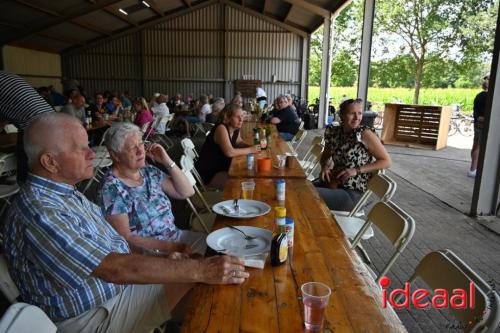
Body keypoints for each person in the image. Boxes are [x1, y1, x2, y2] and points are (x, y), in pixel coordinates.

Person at [3, 112, 249, 332]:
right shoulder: (40, 210)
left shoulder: (66, 193)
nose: (92, 154)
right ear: (50, 162)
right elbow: (113, 267)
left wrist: (166, 260)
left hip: (118, 289)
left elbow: (117, 245)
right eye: (81, 148)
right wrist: (200, 269)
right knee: (206, 283)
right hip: (95, 315)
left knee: (209, 290)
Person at [100, 123, 207, 254]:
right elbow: (125, 239)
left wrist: (167, 161)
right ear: (115, 155)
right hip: (151, 253)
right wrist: (172, 248)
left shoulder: (149, 172)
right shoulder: (111, 189)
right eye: (133, 148)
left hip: (175, 237)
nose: (140, 151)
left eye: (140, 144)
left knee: (220, 249)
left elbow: (186, 192)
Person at [316, 98, 391, 211]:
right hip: (333, 184)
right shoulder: (334, 132)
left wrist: (357, 170)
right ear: (341, 115)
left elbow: (386, 161)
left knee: (305, 194)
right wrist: (325, 167)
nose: (357, 118)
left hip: (352, 193)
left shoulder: (364, 133)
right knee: (297, 188)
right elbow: (325, 156)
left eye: (360, 113)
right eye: (352, 113)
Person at [0, 71, 55, 183]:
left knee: (27, 175)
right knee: (46, 169)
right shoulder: (7, 76)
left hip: (35, 128)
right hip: (54, 123)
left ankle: (28, 193)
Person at [196, 104, 260, 189]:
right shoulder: (221, 128)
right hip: (210, 172)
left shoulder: (235, 127)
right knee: (244, 184)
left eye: (242, 116)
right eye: (237, 117)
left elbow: (239, 142)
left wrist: (251, 146)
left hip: (223, 166)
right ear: (227, 117)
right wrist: (251, 149)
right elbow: (229, 152)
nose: (241, 119)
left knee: (250, 175)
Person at [468, 75, 489, 177]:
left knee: (475, 145)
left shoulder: (479, 95)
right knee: (479, 147)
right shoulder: (486, 96)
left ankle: (473, 168)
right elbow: (485, 113)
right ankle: (473, 170)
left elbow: (476, 112)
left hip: (477, 123)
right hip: (482, 124)